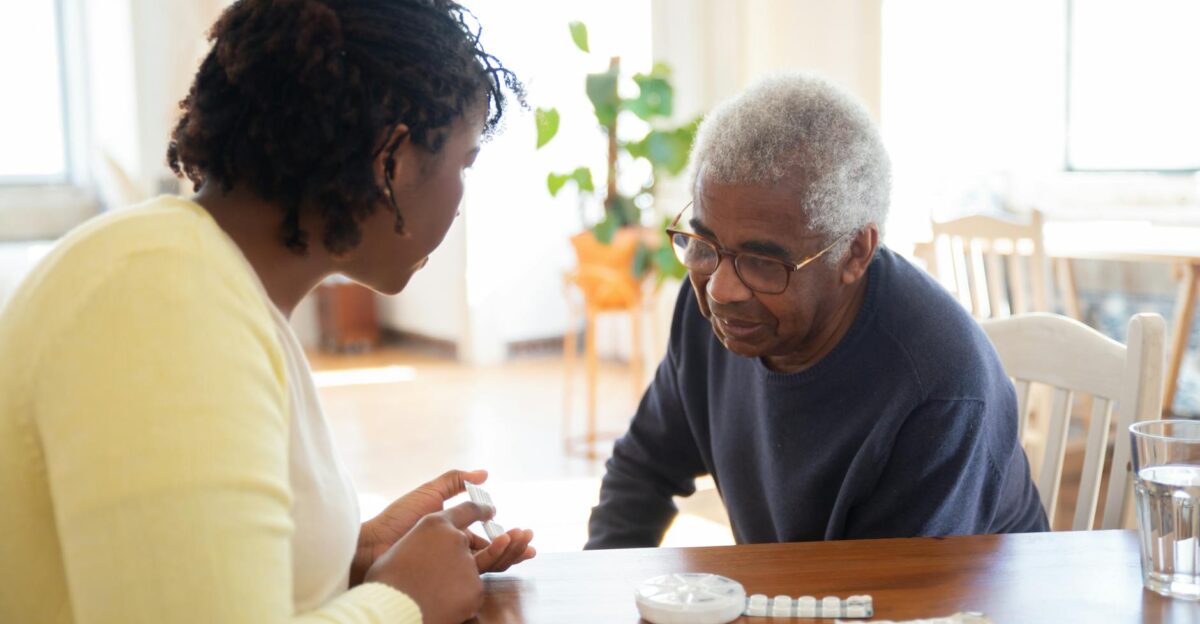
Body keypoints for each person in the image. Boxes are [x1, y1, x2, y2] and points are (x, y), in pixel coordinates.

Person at [0, 1, 533, 622]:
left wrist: (351, 559)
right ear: (392, 162)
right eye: (465, 161)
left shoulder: (199, 279)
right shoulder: (162, 299)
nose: (462, 198)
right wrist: (402, 602)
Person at [585, 72, 1048, 550]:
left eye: (762, 261)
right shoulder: (709, 308)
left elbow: (889, 603)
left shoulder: (940, 389)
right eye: (704, 243)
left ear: (853, 253)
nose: (721, 289)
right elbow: (642, 471)